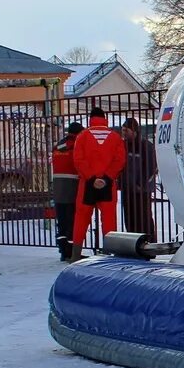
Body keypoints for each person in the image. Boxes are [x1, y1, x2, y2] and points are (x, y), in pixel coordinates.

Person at [69, 106, 127, 261]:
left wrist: (92, 178)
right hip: (108, 183)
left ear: (90, 119)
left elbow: (78, 160)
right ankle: (110, 254)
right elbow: (120, 160)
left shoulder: (83, 136)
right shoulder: (115, 137)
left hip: (87, 183)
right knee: (109, 219)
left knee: (81, 218)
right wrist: (107, 177)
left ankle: (75, 254)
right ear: (105, 118)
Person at [119, 116, 158, 241]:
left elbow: (151, 167)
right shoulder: (123, 146)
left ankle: (149, 243)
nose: (124, 133)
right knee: (129, 218)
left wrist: (140, 184)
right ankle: (133, 243)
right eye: (123, 130)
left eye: (126, 130)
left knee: (143, 218)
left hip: (141, 190)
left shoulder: (146, 146)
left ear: (134, 131)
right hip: (127, 188)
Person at [50, 121, 84, 260]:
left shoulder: (58, 146)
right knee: (72, 222)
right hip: (72, 188)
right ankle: (71, 252)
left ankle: (63, 251)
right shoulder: (77, 145)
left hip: (58, 188)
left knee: (62, 221)